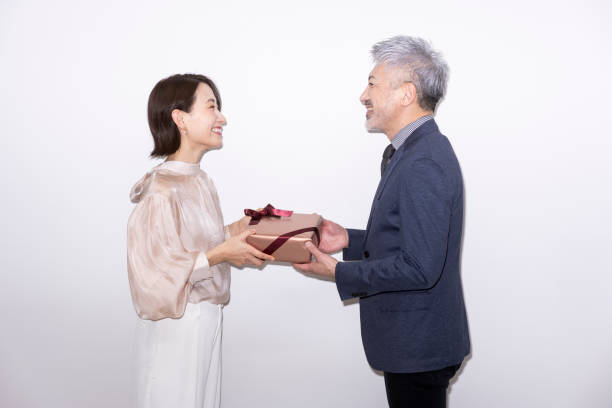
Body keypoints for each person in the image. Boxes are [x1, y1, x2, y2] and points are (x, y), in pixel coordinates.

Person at [294, 36, 470, 407]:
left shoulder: (423, 161)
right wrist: (349, 239)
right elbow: (413, 240)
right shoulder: (412, 152)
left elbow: (420, 267)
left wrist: (339, 272)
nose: (363, 95)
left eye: (372, 84)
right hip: (414, 343)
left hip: (418, 346)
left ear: (407, 94)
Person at [127, 73, 274, 408]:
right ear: (180, 119)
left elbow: (194, 246)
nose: (222, 118)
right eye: (211, 107)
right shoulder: (160, 190)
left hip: (206, 319)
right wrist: (221, 253)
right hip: (175, 326)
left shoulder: (201, 181)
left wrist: (239, 230)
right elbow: (152, 278)